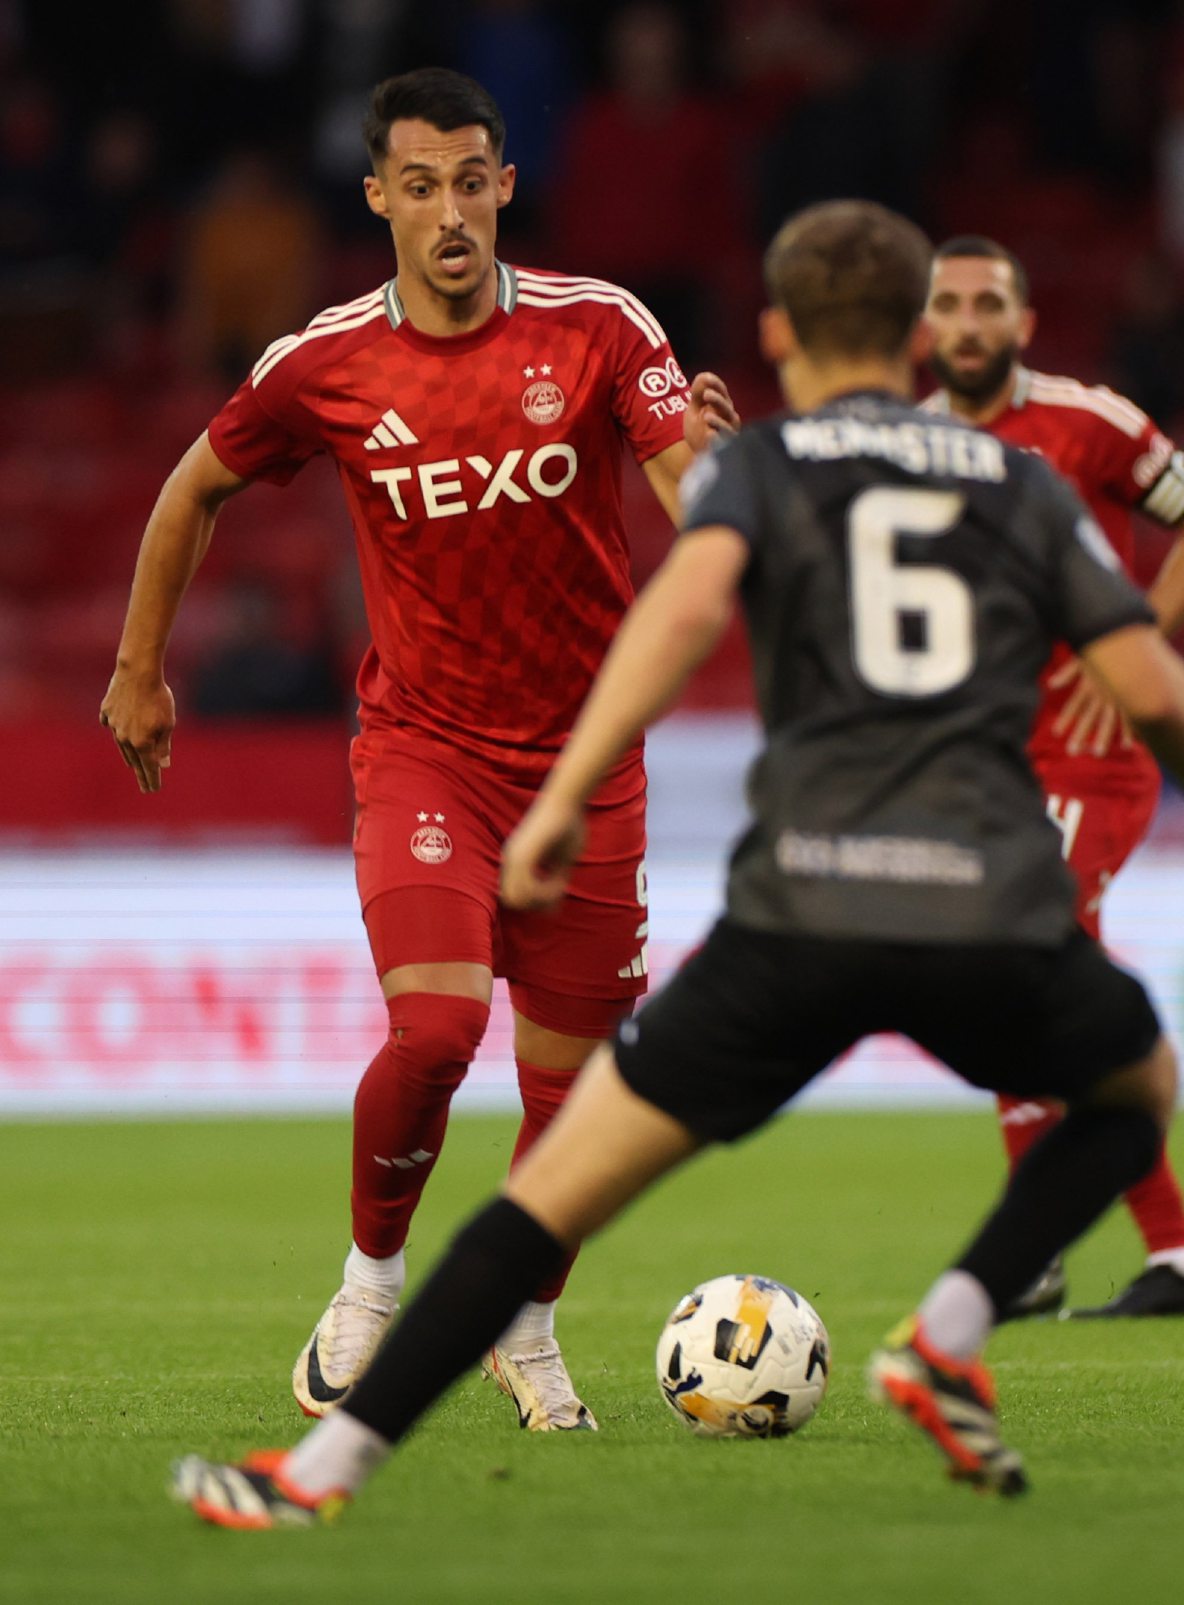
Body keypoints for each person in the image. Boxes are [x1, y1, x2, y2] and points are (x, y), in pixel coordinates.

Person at [171, 198, 1184, 1527]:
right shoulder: (1023, 478)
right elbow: (1144, 676)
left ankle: (317, 1473)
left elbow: (680, 617)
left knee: (553, 1187)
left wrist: (567, 792)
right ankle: (948, 1328)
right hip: (984, 904)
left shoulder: (769, 468)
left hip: (800, 911)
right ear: (915, 331)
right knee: (1135, 1081)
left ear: (779, 334)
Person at [99, 67, 738, 1433]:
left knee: (577, 1092)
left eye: (473, 182)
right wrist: (138, 664)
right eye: (421, 185)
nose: (451, 211)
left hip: (585, 769)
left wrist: (725, 481)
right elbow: (192, 487)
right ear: (380, 197)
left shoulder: (600, 330)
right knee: (440, 1027)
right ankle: (371, 1284)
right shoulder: (323, 362)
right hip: (426, 750)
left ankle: (526, 1320)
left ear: (505, 187)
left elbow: (692, 484)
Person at [921, 235, 1184, 1318]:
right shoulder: (907, 444)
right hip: (985, 763)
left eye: (989, 304)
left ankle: (1093, 1258)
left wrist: (1139, 643)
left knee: (1021, 961)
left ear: (1024, 323)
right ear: (927, 327)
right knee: (1023, 984)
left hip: (1090, 760)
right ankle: (1127, 1262)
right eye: (950, 305)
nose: (969, 323)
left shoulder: (1089, 422)